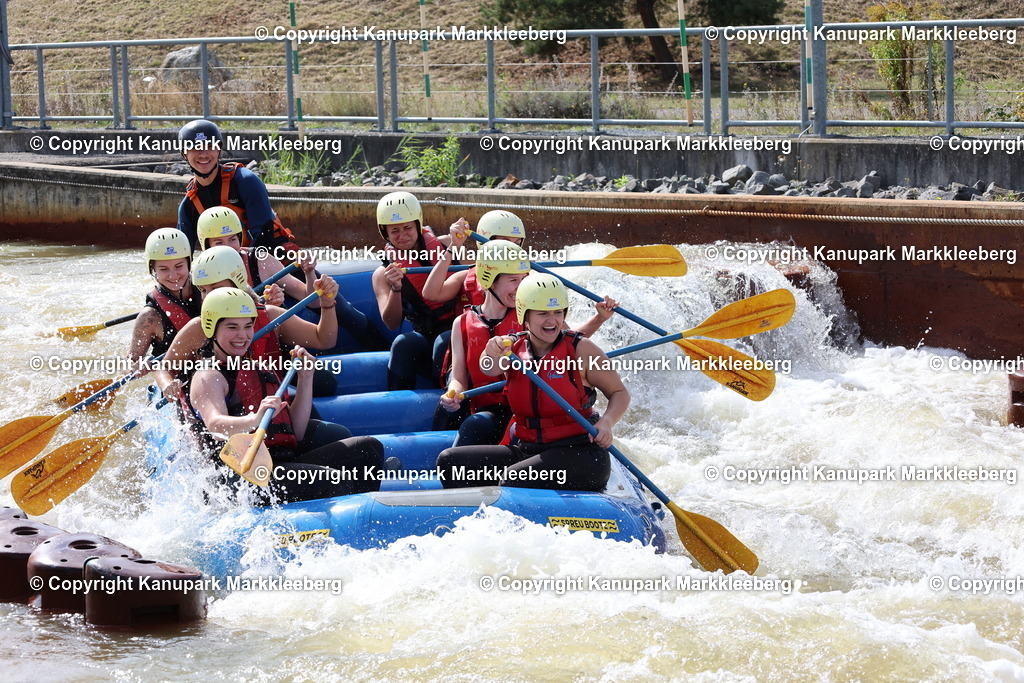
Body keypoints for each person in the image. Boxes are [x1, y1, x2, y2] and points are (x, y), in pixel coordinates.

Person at [187, 288, 384, 504]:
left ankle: (365, 510)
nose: (242, 335)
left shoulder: (260, 368)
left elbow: (296, 432)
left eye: (248, 326)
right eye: (232, 327)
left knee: (367, 448)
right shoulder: (208, 376)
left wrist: (306, 378)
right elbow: (215, 426)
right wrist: (255, 419)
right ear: (211, 329)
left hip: (280, 462)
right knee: (334, 480)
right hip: (243, 477)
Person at [436, 272, 630, 492]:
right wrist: (491, 351)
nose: (552, 320)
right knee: (451, 463)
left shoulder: (582, 349)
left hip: (580, 453)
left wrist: (606, 422)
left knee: (513, 480)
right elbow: (488, 368)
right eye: (542, 313)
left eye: (558, 312)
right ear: (524, 316)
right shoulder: (513, 348)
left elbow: (619, 393)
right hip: (529, 448)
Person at [436, 241, 618, 447]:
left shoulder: (531, 314)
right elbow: (458, 377)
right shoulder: (462, 322)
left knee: (477, 425)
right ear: (489, 281)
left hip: (528, 408)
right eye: (513, 280)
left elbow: (569, 342)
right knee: (463, 418)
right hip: (485, 409)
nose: (521, 287)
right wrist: (453, 393)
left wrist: (599, 318)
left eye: (524, 279)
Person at [161, 246, 340, 401]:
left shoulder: (270, 316)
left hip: (266, 402)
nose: (208, 297)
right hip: (224, 409)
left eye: (215, 289)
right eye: (203, 290)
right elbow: (164, 368)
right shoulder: (199, 327)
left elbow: (324, 339)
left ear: (238, 282)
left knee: (326, 383)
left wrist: (327, 304)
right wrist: (167, 384)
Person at [197, 206, 388, 351]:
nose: (229, 247)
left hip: (272, 337)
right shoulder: (200, 275)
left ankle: (381, 346)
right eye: (219, 242)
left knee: (343, 310)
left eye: (232, 239)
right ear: (206, 245)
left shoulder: (260, 260)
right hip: (235, 347)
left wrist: (309, 272)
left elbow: (311, 300)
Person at [370, 191, 467, 389]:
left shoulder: (449, 245)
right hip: (426, 334)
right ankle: (398, 401)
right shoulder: (382, 274)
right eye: (394, 231)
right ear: (385, 233)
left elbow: (480, 280)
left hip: (463, 328)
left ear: (418, 225)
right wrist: (396, 289)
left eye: (407, 228)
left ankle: (449, 397)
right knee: (403, 344)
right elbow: (391, 323)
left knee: (444, 341)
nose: (402, 235)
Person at [175, 119, 295, 254]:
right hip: (226, 263)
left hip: (268, 256)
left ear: (218, 149)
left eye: (209, 146)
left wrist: (244, 261)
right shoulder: (189, 205)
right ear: (184, 154)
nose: (203, 154)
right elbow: (182, 255)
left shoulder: (245, 181)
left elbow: (264, 236)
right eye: (195, 148)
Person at [422, 209, 526, 310]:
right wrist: (453, 246)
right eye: (506, 243)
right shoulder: (463, 277)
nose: (513, 250)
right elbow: (431, 294)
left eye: (517, 244)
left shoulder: (528, 275)